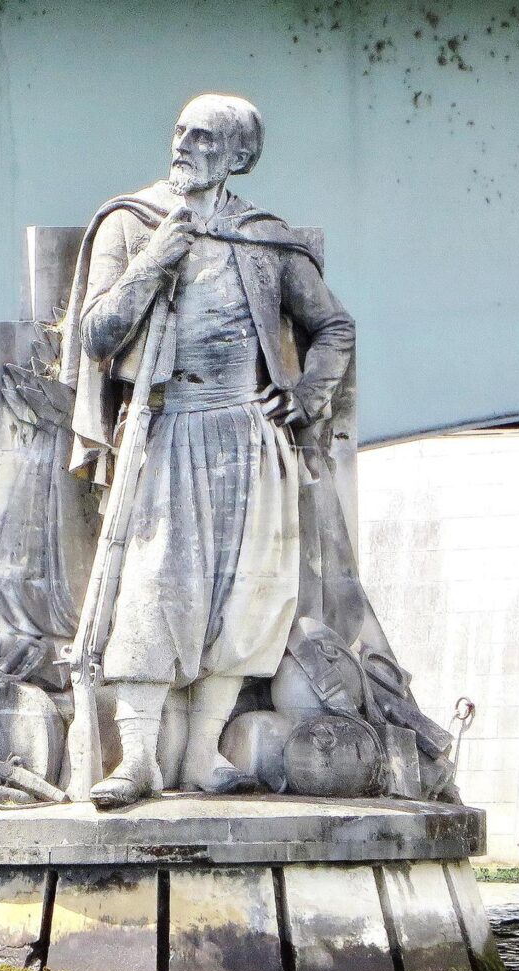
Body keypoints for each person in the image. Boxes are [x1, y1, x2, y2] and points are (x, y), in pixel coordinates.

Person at [59, 94, 355, 808]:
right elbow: (96, 336)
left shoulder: (264, 238)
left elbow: (333, 326)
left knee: (245, 594)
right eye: (180, 130)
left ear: (239, 157)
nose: (184, 143)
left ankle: (201, 752)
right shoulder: (130, 223)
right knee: (156, 587)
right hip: (167, 427)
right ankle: (135, 759)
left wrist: (307, 394)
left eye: (204, 136)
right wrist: (155, 260)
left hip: (249, 437)